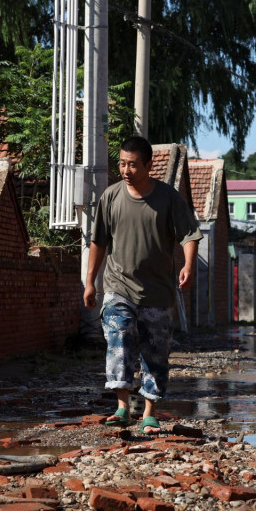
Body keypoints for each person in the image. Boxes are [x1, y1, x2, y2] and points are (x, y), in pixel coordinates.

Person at [83, 136, 202, 435]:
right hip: (118, 285)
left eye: (133, 165)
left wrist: (188, 265)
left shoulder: (168, 198)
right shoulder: (110, 197)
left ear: (149, 165)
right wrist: (90, 282)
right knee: (119, 338)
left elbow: (189, 234)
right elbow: (98, 241)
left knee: (155, 352)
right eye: (122, 163)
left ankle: (149, 412)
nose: (126, 170)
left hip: (157, 291)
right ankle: (122, 407)